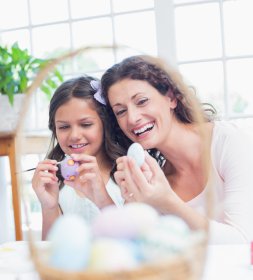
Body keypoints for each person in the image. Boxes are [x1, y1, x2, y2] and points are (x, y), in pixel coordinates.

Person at [100, 55, 253, 244]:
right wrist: (134, 204)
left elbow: (243, 242)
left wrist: (167, 202)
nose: (132, 118)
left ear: (171, 98)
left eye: (141, 101)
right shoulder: (154, 179)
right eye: (121, 111)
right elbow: (138, 252)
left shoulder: (229, 143)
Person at [32, 76, 123, 240]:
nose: (74, 136)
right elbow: (51, 249)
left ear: (106, 123)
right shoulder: (57, 183)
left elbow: (134, 241)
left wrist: (102, 197)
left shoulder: (125, 174)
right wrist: (49, 207)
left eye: (86, 124)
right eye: (64, 127)